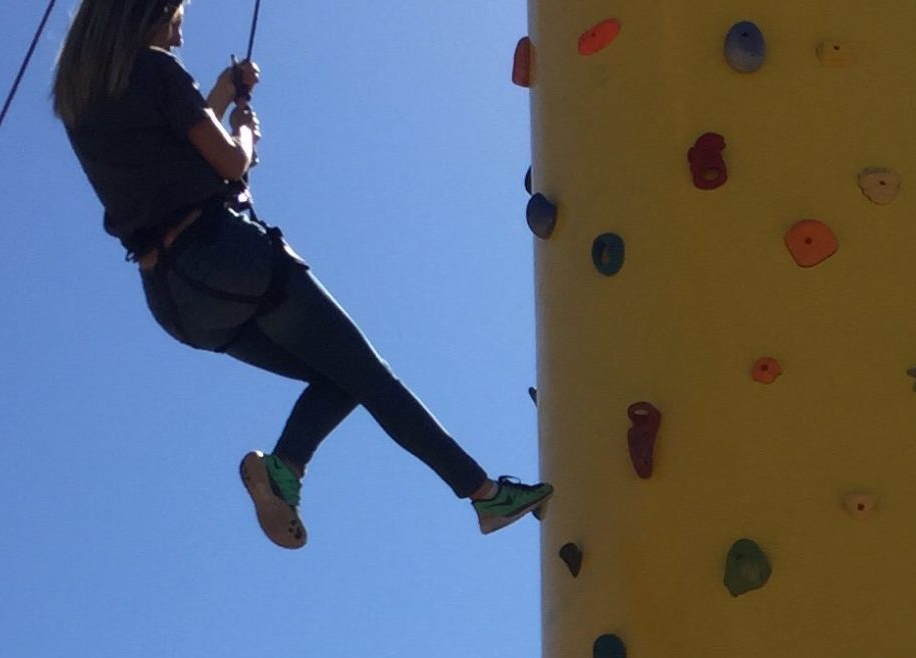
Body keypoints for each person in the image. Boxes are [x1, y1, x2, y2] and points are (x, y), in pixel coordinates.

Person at [54, 0, 551, 549]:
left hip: (176, 299)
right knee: (370, 376)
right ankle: (483, 494)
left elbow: (172, 149)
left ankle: (286, 468)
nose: (179, 31)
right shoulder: (155, 68)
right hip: (227, 258)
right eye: (176, 15)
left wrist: (220, 93)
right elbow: (228, 162)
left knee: (342, 376)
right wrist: (247, 133)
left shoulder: (84, 102)